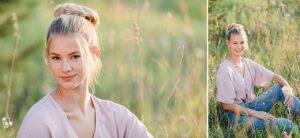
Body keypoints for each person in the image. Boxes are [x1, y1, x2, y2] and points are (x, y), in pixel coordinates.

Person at [17, 3, 152, 138]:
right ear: (47, 58)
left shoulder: (119, 119)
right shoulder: (40, 121)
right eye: (56, 58)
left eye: (75, 56)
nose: (65, 68)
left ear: (94, 53)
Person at [216, 23, 300, 136]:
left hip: (252, 105)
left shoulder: (248, 63)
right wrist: (256, 113)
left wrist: (288, 88)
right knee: (285, 124)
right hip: (235, 116)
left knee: (280, 89)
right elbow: (227, 106)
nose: (239, 47)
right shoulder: (225, 69)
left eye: (242, 43)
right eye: (235, 43)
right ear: (228, 43)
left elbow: (275, 76)